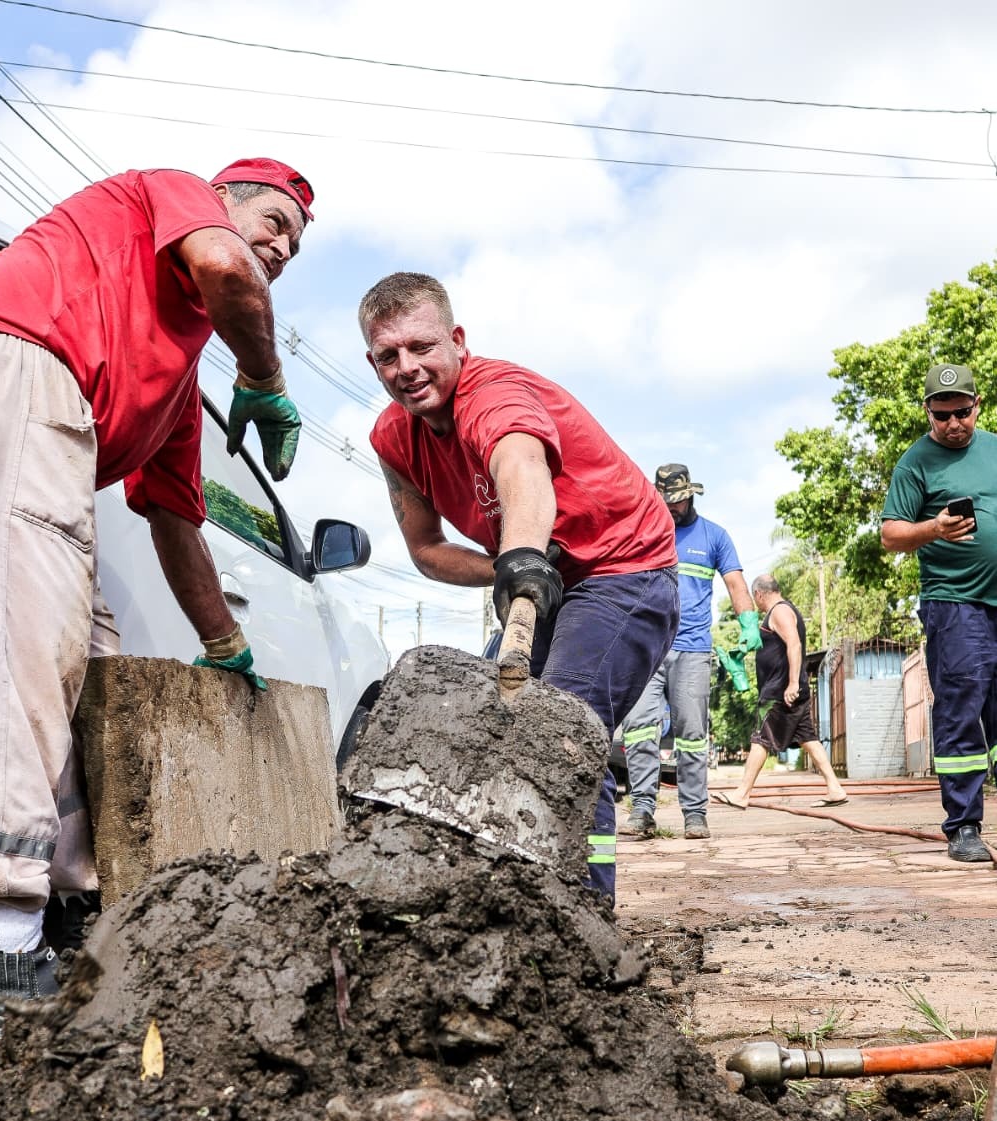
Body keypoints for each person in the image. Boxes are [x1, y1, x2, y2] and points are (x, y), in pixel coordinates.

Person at [0, 157, 314, 1035]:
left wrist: (222, 644)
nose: (280, 244)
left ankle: (65, 908)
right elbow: (228, 267)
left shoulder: (175, 371)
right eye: (273, 219)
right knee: (21, 649)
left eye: (296, 242)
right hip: (15, 365)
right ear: (222, 199)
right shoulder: (168, 192)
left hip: (58, 435)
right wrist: (266, 378)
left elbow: (174, 520)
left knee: (89, 668)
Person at [358, 272, 680, 902]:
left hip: (623, 567)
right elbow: (426, 550)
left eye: (422, 347)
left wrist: (525, 555)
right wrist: (509, 568)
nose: (408, 368)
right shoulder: (393, 437)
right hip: (547, 577)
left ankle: (583, 916)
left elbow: (519, 463)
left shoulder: (494, 394)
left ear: (456, 340)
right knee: (489, 730)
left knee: (559, 736)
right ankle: (502, 897)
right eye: (388, 356)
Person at [881, 363, 996, 864]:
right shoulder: (915, 462)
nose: (954, 423)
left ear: (978, 405)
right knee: (961, 706)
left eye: (963, 413)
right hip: (955, 605)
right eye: (942, 414)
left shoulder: (994, 447)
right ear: (928, 411)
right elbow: (890, 535)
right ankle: (964, 826)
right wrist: (934, 529)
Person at [621, 464, 761, 840]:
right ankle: (643, 811)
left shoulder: (714, 536)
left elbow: (735, 583)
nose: (673, 508)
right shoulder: (644, 533)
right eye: (666, 501)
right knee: (638, 729)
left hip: (693, 650)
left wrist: (749, 622)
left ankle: (695, 814)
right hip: (647, 648)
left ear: (691, 495)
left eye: (679, 501)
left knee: (692, 734)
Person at [719, 575, 848, 810]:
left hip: (780, 692)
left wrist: (791, 683)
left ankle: (742, 793)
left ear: (758, 594)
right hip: (790, 689)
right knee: (808, 737)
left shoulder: (779, 611)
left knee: (761, 738)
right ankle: (835, 787)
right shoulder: (783, 611)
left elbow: (794, 644)